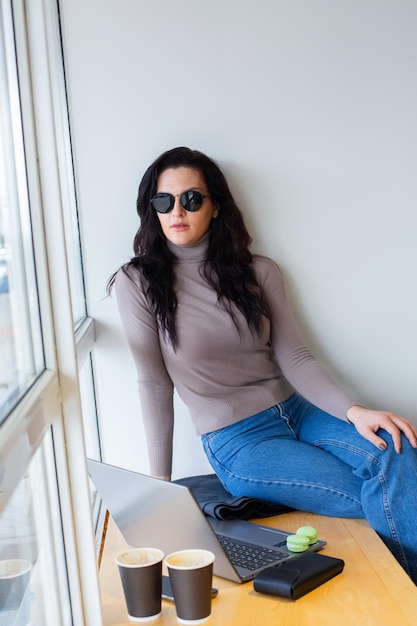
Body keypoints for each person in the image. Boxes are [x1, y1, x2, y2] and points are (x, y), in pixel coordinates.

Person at [109, 146, 417, 583]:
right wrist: (159, 481)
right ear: (152, 208)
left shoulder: (259, 271)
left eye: (192, 199)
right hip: (240, 444)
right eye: (165, 201)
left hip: (301, 412)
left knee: (397, 448)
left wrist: (355, 412)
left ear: (215, 207)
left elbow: (295, 356)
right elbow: (154, 384)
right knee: (386, 491)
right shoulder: (138, 282)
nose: (177, 211)